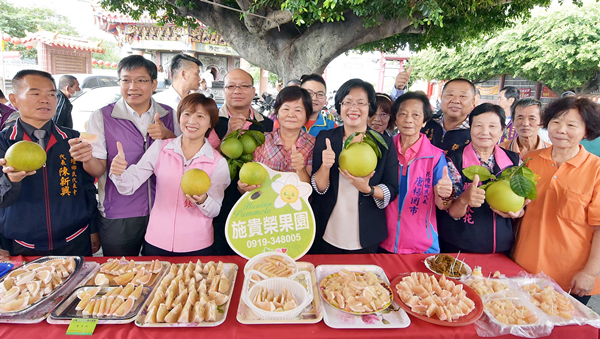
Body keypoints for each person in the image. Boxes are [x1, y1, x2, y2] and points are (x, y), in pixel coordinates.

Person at [69, 55, 176, 256]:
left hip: (164, 210)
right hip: (119, 212)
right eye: (126, 80)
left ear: (154, 84)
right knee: (121, 274)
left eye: (141, 80)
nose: (132, 86)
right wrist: (86, 158)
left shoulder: (170, 115)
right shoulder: (102, 117)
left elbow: (182, 156)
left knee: (162, 273)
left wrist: (168, 135)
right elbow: (98, 168)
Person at [109, 94, 229, 256]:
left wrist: (204, 200)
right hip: (156, 241)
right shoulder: (160, 148)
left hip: (197, 245)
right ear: (179, 118)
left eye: (200, 116)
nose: (192, 121)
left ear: (210, 123)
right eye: (186, 114)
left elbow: (214, 210)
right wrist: (118, 173)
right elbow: (129, 186)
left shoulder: (217, 162)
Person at [513, 97, 600, 305]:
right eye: (556, 122)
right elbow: (517, 206)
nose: (561, 129)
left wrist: (589, 273)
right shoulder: (530, 160)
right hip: (523, 270)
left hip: (570, 279)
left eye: (571, 125)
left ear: (586, 131)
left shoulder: (596, 170)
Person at [0, 70, 97, 256]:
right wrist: (10, 180)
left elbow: (87, 188)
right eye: (35, 93)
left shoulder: (73, 139)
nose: (45, 100)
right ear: (13, 99)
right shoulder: (4, 142)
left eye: (51, 94)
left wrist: (94, 228)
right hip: (22, 244)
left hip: (75, 239)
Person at [310, 78, 399, 254]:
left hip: (367, 234)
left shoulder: (383, 143)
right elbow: (319, 188)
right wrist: (325, 167)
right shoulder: (326, 138)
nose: (353, 108)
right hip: (327, 230)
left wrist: (368, 189)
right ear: (339, 106)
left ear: (370, 108)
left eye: (361, 103)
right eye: (347, 102)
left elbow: (392, 188)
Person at [439, 103, 522, 254]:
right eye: (478, 125)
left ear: (502, 130)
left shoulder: (514, 162)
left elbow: (523, 203)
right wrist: (464, 199)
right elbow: (450, 211)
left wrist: (518, 211)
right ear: (470, 128)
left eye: (492, 126)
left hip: (502, 250)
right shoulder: (453, 160)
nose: (485, 132)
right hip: (458, 249)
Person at [380, 92, 453, 254]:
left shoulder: (435, 157)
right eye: (403, 114)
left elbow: (443, 204)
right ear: (396, 118)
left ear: (424, 120)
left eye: (415, 115)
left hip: (422, 245)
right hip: (382, 241)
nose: (408, 120)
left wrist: (447, 194)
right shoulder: (384, 150)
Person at [211, 68, 274, 255]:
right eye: (231, 86)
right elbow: (204, 161)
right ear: (224, 91)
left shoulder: (267, 125)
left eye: (243, 86)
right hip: (221, 203)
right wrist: (229, 134)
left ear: (253, 91)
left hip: (259, 204)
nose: (237, 91)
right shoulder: (211, 120)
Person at [243, 86, 315, 191]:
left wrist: (301, 169)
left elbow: (309, 189)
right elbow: (247, 186)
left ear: (306, 116)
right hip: (263, 205)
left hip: (297, 206)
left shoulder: (313, 144)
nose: (291, 114)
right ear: (277, 113)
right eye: (286, 109)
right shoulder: (263, 141)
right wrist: (244, 187)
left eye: (298, 110)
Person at [421, 78, 476, 152]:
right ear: (441, 97)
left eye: (463, 96)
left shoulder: (477, 131)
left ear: (473, 101)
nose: (455, 100)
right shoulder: (425, 122)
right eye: (450, 95)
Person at [154, 54, 202, 136]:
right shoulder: (157, 101)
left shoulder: (199, 102)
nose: (199, 79)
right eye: (197, 74)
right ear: (183, 74)